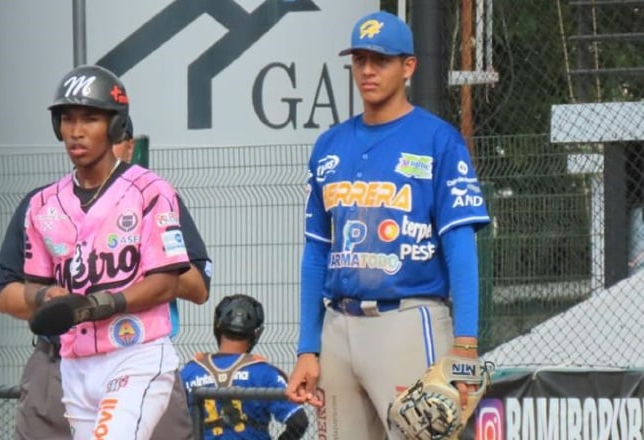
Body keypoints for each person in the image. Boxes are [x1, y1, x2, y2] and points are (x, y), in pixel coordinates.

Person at [285, 10, 491, 439]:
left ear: (408, 66)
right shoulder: (330, 145)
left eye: (380, 60)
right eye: (359, 60)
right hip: (338, 327)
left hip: (408, 321)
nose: (367, 70)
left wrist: (466, 345)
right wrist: (308, 346)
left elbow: (460, 247)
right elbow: (316, 252)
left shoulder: (438, 140)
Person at [0, 110, 210, 439]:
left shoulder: (151, 196)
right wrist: (49, 298)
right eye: (69, 122)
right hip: (59, 361)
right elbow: (5, 293)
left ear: (127, 143)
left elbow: (198, 285)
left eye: (114, 139)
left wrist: (128, 280)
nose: (81, 135)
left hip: (135, 350)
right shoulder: (45, 206)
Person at [181, 294, 309, 440]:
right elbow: (299, 421)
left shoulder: (191, 371)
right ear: (256, 333)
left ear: (217, 325)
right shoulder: (264, 373)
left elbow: (170, 421)